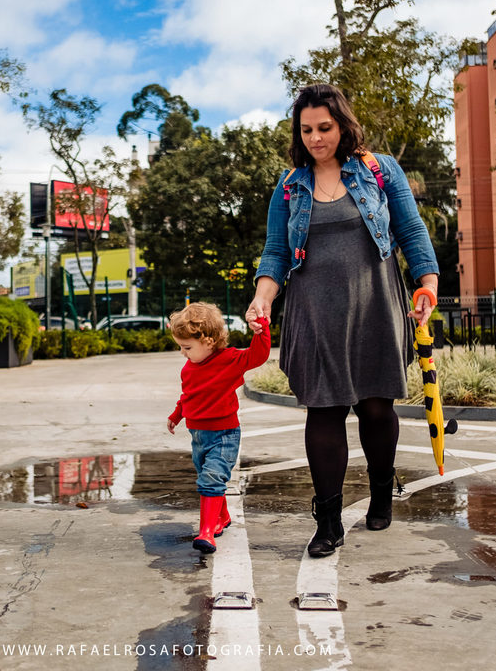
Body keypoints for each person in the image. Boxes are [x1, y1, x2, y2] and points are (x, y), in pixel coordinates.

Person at [246, 83, 439, 558]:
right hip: (314, 311)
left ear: (342, 125)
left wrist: (428, 285)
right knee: (324, 409)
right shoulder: (290, 186)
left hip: (375, 303)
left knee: (376, 407)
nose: (315, 138)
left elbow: (411, 230)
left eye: (324, 128)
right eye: (306, 130)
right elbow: (275, 251)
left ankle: (380, 489)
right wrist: (262, 298)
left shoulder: (379, 169)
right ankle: (328, 522)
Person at [167, 303, 271, 554]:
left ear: (209, 341)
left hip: (224, 434)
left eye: (187, 347)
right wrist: (177, 414)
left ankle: (206, 533)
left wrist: (261, 331)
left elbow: (257, 356)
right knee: (208, 476)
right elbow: (188, 395)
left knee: (211, 478)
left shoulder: (229, 360)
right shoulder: (188, 369)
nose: (183, 353)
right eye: (181, 347)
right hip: (198, 436)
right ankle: (222, 517)